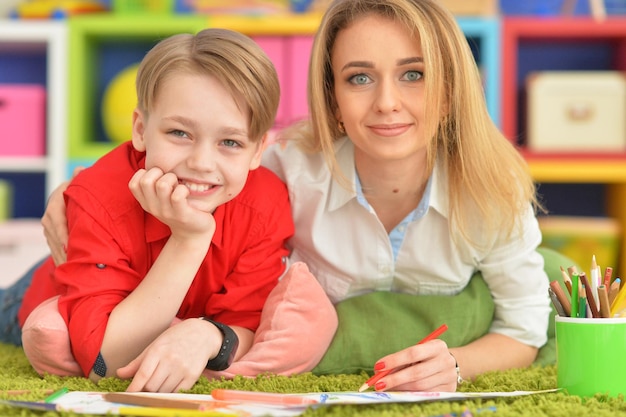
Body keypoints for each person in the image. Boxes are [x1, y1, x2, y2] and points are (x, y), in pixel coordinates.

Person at [40, 0, 551, 393]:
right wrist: (75, 193)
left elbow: (525, 331)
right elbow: (198, 148)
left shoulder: (493, 194)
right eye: (360, 78)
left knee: (554, 270)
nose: (387, 103)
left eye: (413, 75)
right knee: (38, 320)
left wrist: (458, 364)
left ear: (450, 87)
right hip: (112, 269)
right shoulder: (290, 167)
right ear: (332, 95)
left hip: (195, 290)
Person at [1, 27, 293, 393]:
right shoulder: (99, 198)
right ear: (141, 129)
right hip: (46, 289)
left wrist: (208, 336)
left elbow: (248, 326)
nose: (202, 162)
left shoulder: (264, 205)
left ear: (257, 151)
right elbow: (105, 364)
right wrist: (189, 238)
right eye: (179, 134)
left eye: (230, 142)